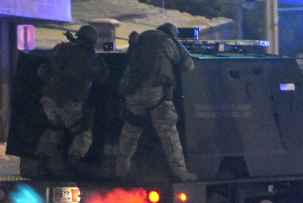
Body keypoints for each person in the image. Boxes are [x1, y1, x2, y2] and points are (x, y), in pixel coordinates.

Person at [115, 23, 197, 182]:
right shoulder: (167, 42)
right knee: (169, 134)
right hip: (155, 95)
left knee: (130, 133)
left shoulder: (140, 40)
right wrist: (177, 43)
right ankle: (181, 172)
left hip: (132, 93)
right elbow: (188, 65)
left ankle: (121, 170)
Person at [35, 24, 109, 175]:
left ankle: (41, 164)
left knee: (55, 127)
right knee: (83, 133)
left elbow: (44, 70)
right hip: (69, 102)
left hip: (48, 100)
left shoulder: (60, 49)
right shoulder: (90, 57)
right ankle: (73, 164)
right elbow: (102, 76)